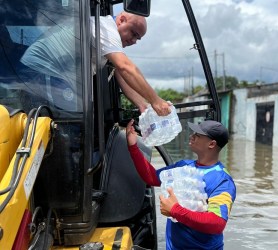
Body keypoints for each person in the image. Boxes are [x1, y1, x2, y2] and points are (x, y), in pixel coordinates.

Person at [20, 11, 170, 116]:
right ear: (121, 20)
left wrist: (142, 104)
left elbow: (121, 74)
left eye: (138, 38)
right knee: (70, 123)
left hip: (49, 75)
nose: (133, 41)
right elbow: (125, 67)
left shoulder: (107, 39)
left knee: (74, 123)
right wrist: (156, 100)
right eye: (133, 33)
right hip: (40, 72)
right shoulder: (106, 29)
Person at [126, 119, 237, 249]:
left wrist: (175, 210)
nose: (192, 136)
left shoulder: (222, 180)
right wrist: (133, 146)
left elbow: (217, 223)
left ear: (211, 144)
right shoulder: (184, 165)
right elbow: (152, 178)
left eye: (198, 135)